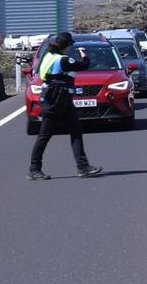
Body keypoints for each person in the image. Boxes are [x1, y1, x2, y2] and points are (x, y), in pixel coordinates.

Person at [29, 31, 104, 180]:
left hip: (54, 99)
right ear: (67, 45)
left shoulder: (48, 56)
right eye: (70, 45)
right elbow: (84, 65)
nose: (71, 48)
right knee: (46, 135)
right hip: (58, 101)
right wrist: (84, 54)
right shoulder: (63, 60)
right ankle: (34, 169)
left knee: (73, 131)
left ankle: (83, 167)